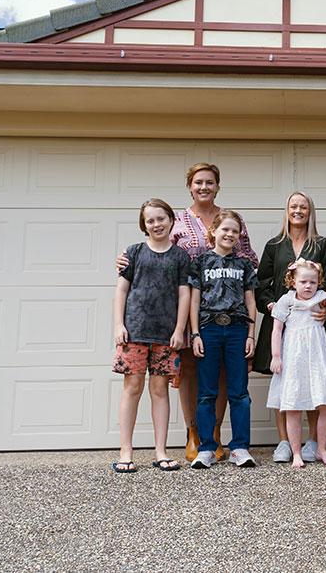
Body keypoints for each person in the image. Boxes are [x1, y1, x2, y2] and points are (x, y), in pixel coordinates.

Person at [117, 162, 256, 464]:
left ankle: (215, 433)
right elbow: (156, 248)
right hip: (187, 308)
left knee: (221, 375)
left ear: (217, 186)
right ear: (190, 186)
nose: (204, 187)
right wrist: (124, 261)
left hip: (227, 309)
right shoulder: (176, 219)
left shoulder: (229, 220)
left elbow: (248, 261)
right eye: (198, 183)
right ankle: (195, 432)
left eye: (209, 182)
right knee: (190, 371)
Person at [252, 191, 326, 464]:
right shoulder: (274, 245)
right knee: (286, 384)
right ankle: (284, 442)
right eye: (294, 206)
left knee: (316, 383)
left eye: (303, 206)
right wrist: (271, 307)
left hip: (313, 322)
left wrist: (325, 309)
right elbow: (261, 285)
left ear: (310, 211)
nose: (298, 210)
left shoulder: (321, 244)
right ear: (287, 210)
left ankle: (314, 442)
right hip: (282, 322)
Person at [111, 199, 191, 473]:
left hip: (166, 335)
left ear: (171, 220)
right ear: (144, 225)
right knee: (132, 388)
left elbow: (185, 294)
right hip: (134, 331)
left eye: (161, 218)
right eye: (150, 220)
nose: (156, 224)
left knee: (159, 390)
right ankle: (125, 451)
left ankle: (161, 450)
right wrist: (118, 325)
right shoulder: (133, 253)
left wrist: (180, 329)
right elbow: (121, 290)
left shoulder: (181, 257)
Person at [267, 259, 326, 467]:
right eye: (303, 282)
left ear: (319, 283)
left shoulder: (322, 298)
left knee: (325, 405)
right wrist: (276, 356)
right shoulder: (286, 301)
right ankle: (297, 452)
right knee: (293, 406)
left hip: (317, 358)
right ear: (293, 282)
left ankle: (321, 449)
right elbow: (277, 330)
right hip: (294, 359)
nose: (308, 286)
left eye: (313, 282)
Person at [188, 210, 259, 468]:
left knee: (239, 392)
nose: (229, 234)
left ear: (239, 236)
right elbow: (194, 299)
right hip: (209, 329)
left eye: (234, 231)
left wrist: (251, 334)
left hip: (238, 330)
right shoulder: (201, 262)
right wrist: (195, 333)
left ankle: (240, 447)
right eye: (225, 229)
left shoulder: (244, 265)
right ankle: (206, 447)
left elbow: (251, 300)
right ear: (214, 231)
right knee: (206, 392)